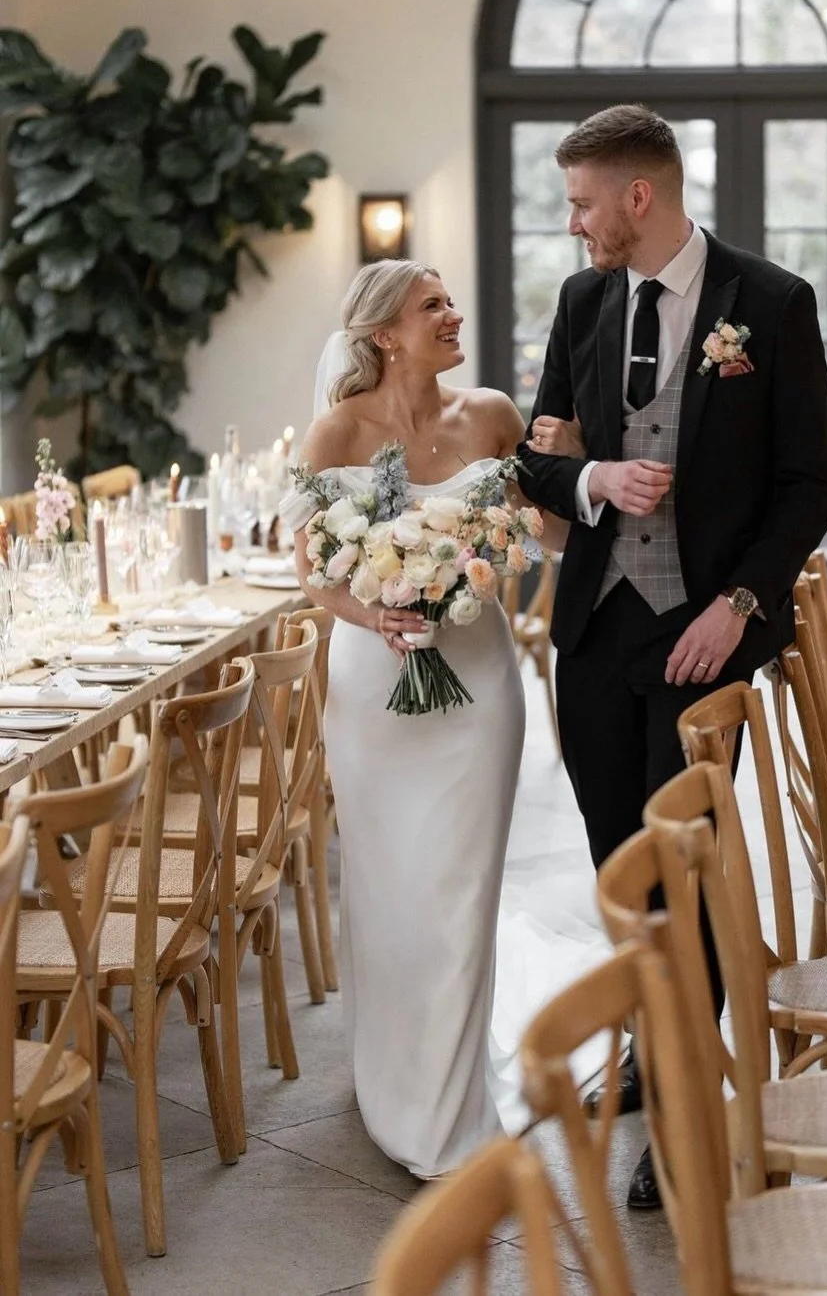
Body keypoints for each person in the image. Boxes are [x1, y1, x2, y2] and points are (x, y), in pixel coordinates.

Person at [515, 104, 827, 1208]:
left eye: (581, 205)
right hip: (596, 627)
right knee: (623, 870)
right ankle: (657, 1043)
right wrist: (593, 480)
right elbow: (538, 458)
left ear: (636, 199)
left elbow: (809, 484)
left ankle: (688, 1101)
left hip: (705, 634)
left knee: (686, 870)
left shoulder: (772, 305)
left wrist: (740, 607)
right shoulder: (582, 301)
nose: (574, 227)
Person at [287, 260, 532, 1179]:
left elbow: (540, 526)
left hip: (478, 686)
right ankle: (394, 1082)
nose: (453, 313)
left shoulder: (492, 414)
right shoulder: (336, 431)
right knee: (392, 889)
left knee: (462, 890)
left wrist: (506, 536)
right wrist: (373, 610)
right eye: (433, 305)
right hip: (374, 690)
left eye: (450, 301)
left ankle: (453, 1107)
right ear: (384, 333)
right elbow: (314, 570)